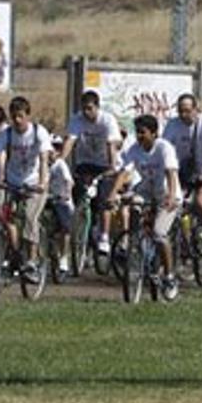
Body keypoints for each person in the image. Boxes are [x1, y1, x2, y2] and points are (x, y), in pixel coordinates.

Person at [108, 114, 182, 300]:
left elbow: (171, 173)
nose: (139, 136)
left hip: (166, 194)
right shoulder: (135, 149)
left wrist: (172, 197)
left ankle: (170, 276)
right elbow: (125, 172)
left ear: (154, 133)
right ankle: (136, 244)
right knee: (132, 205)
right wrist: (113, 193)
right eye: (138, 132)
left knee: (159, 233)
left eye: (143, 132)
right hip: (147, 191)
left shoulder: (164, 148)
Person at [0, 97, 52, 279]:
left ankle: (32, 262)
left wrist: (42, 183)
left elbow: (43, 158)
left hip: (34, 182)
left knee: (29, 217)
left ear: (28, 115)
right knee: (0, 211)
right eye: (14, 116)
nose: (17, 120)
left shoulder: (38, 132)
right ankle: (14, 253)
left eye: (20, 116)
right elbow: (1, 154)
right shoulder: (7, 134)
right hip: (12, 180)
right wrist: (2, 177)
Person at [162, 93, 202, 259]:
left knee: (200, 203)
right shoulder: (173, 125)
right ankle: (181, 241)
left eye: (187, 111)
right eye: (180, 111)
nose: (183, 115)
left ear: (196, 110)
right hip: (184, 172)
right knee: (173, 203)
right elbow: (164, 148)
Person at [60, 90, 121, 253]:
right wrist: (61, 159)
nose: (87, 113)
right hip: (85, 162)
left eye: (90, 109)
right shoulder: (77, 119)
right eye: (84, 109)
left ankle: (104, 237)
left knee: (104, 200)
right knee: (79, 196)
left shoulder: (107, 120)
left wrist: (112, 166)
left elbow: (111, 145)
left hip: (104, 164)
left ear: (97, 107)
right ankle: (80, 229)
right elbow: (70, 141)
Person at [48, 134, 74, 275]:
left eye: (56, 149)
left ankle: (64, 257)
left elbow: (69, 181)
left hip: (61, 200)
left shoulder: (60, 165)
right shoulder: (42, 164)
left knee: (64, 228)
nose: (53, 152)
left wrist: (66, 194)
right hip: (47, 198)